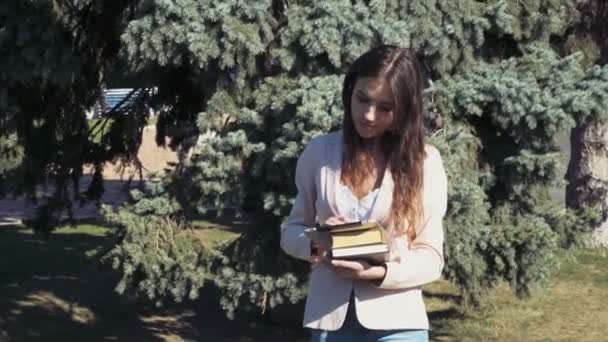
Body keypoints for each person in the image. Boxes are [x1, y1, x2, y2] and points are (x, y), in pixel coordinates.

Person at [280, 45, 448, 342]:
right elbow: (291, 232)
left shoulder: (425, 163)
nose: (369, 115)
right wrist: (322, 248)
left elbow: (431, 257)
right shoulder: (320, 153)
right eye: (363, 100)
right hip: (330, 319)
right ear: (349, 93)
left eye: (385, 107)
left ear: (404, 109)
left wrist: (379, 273)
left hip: (398, 321)